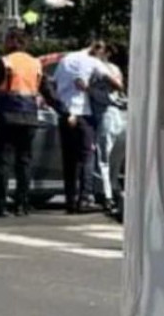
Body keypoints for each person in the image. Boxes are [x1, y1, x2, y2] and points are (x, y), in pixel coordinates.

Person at [53, 41, 124, 214]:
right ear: (98, 50)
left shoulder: (65, 60)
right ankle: (84, 199)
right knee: (87, 157)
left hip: (64, 113)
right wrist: (89, 88)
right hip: (83, 114)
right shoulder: (93, 61)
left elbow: (54, 84)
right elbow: (117, 85)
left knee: (68, 159)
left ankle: (70, 199)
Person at [0, 28, 44, 217]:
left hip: (8, 115)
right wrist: (62, 109)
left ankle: (0, 205)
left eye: (6, 39)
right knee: (24, 161)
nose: (4, 43)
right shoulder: (35, 63)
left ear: (12, 41)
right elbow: (46, 89)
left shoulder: (5, 62)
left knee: (3, 162)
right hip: (30, 117)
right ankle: (22, 204)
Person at [90, 44, 127, 213]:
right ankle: (113, 191)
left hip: (106, 115)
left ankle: (106, 196)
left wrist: (87, 89)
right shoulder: (114, 68)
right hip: (118, 116)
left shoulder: (100, 69)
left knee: (103, 158)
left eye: (97, 49)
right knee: (113, 160)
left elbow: (113, 89)